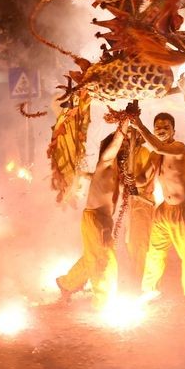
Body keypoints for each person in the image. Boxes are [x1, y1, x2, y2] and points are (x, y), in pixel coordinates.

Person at [56, 120, 128, 308]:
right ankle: (101, 302)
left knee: (93, 257)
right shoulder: (105, 165)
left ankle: (67, 283)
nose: (124, 153)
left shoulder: (114, 172)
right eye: (122, 148)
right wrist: (124, 126)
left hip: (101, 220)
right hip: (95, 219)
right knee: (104, 261)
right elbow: (111, 151)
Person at [133, 112, 185, 310]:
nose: (161, 130)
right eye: (158, 128)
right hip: (164, 209)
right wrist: (129, 177)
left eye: (165, 127)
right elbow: (143, 178)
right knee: (154, 252)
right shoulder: (156, 154)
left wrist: (139, 125)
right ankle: (150, 289)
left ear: (173, 131)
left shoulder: (179, 148)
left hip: (184, 209)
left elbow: (158, 145)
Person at [125, 132, 158, 289]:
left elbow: (144, 179)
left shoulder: (145, 153)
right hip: (133, 202)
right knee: (132, 242)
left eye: (132, 135)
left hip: (142, 202)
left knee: (141, 243)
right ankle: (136, 276)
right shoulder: (129, 154)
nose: (128, 138)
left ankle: (141, 280)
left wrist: (131, 183)